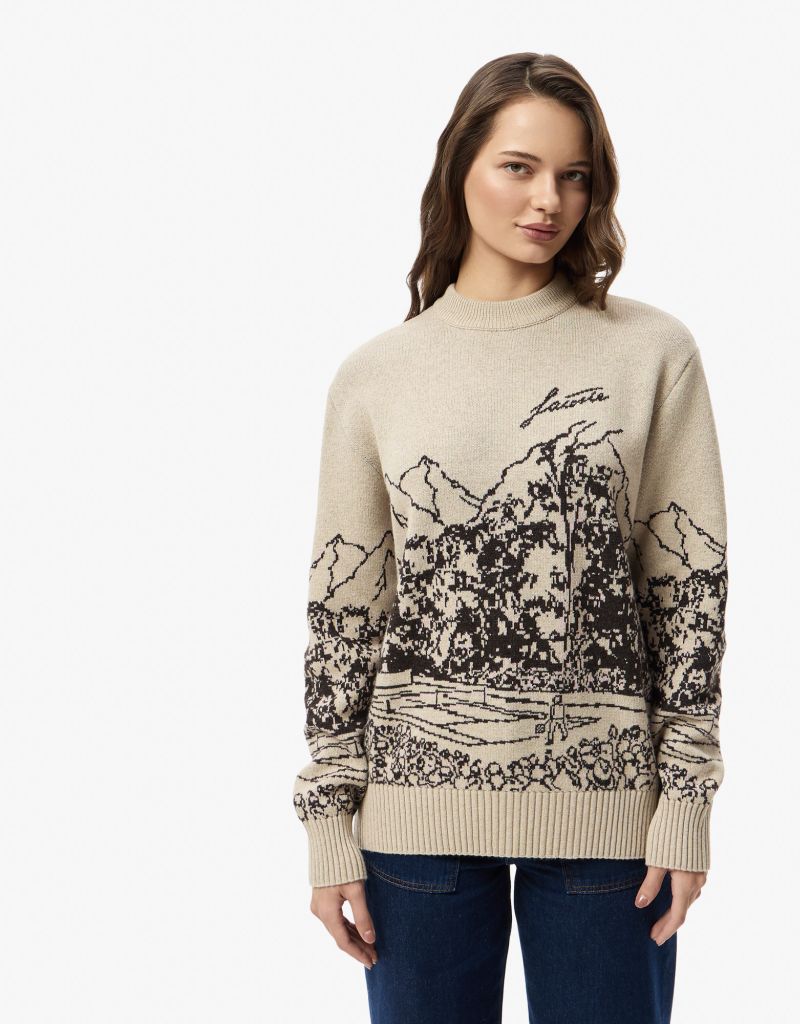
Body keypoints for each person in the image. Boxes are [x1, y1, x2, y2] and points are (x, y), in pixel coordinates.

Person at [292, 51, 729, 1024]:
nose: (548, 201)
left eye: (575, 175)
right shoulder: (377, 374)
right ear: (460, 166)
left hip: (611, 820)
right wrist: (327, 823)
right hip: (411, 822)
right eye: (519, 167)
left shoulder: (652, 352)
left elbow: (687, 595)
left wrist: (687, 802)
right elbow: (344, 613)